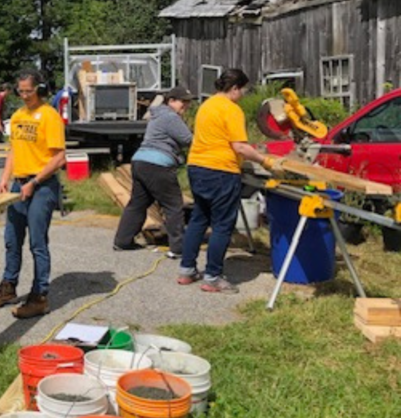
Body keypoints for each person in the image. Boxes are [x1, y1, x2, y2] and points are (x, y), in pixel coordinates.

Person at [179, 69, 278, 293]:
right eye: (242, 90)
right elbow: (240, 146)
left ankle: (186, 270)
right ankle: (213, 277)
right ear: (234, 88)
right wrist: (265, 161)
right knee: (223, 224)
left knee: (199, 218)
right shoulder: (232, 110)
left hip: (197, 166)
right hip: (220, 170)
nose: (243, 94)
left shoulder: (206, 105)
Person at [0, 71, 66, 318]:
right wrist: (5, 179)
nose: (25, 95)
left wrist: (35, 181)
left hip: (42, 185)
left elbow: (59, 157)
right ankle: (7, 288)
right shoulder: (17, 116)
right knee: (11, 238)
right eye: (21, 91)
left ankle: (39, 297)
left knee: (37, 242)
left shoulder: (50, 116)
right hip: (19, 184)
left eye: (29, 91)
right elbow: (14, 151)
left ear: (39, 89)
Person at [113, 86, 196, 256]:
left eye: (188, 102)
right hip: (158, 165)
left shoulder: (158, 115)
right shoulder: (170, 117)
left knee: (138, 203)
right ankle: (178, 248)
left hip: (140, 161)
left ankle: (123, 241)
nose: (186, 106)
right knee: (173, 205)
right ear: (171, 101)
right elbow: (189, 139)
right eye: (183, 102)